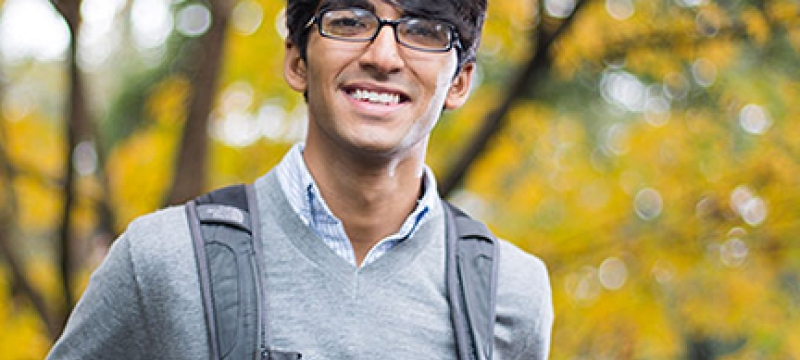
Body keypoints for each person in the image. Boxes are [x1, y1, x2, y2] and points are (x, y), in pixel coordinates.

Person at [46, 0, 554, 358]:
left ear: (460, 82)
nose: (382, 56)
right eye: (350, 21)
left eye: (423, 30)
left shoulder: (511, 292)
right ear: (296, 60)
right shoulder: (163, 259)